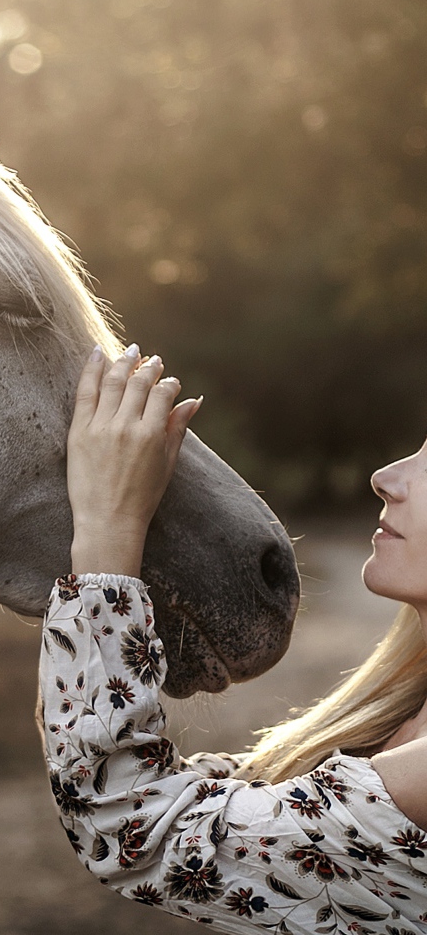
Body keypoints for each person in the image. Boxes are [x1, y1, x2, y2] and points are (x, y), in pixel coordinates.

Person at [38, 343, 427, 933]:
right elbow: (203, 795)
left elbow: (131, 828)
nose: (385, 478)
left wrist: (106, 525)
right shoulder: (406, 716)